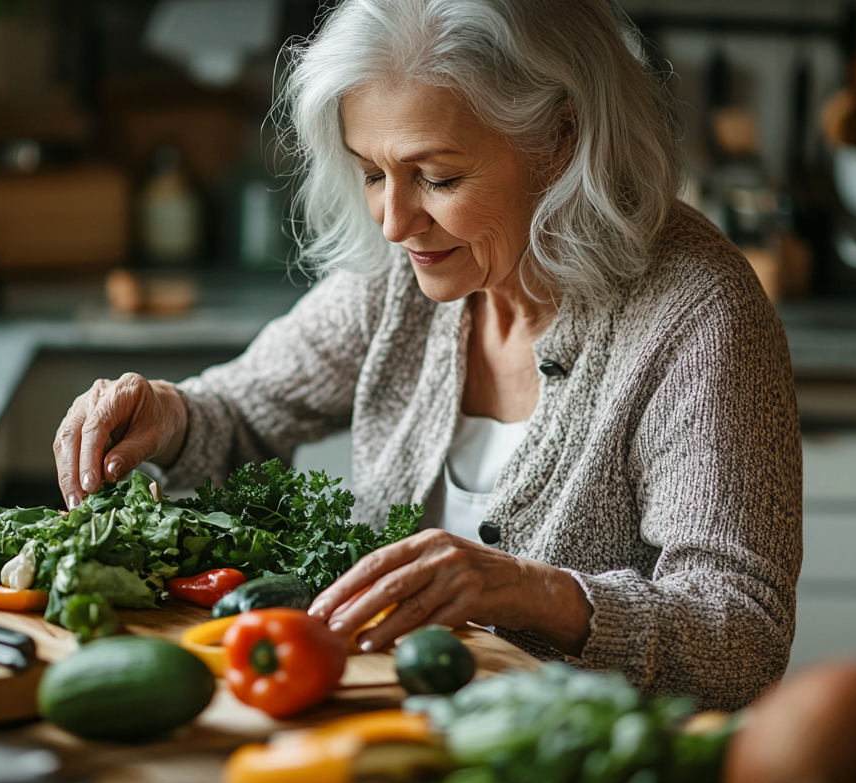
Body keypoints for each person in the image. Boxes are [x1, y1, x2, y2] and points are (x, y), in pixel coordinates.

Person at [54, 0, 801, 710]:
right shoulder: (406, 276)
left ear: (563, 138)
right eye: (373, 173)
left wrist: (525, 591)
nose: (393, 221)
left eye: (437, 177)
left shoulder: (697, 314)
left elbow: (739, 635)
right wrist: (167, 414)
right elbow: (243, 410)